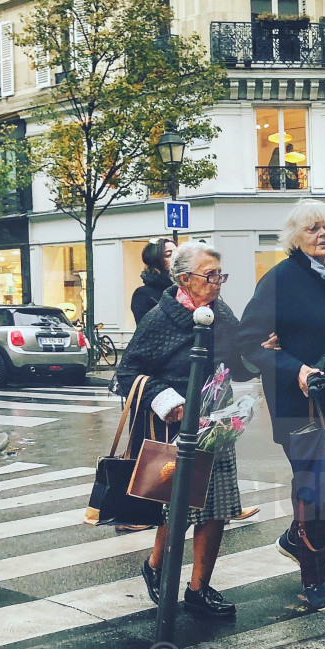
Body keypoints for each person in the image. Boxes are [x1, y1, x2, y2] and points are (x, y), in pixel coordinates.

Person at [238, 199, 325, 612]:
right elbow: (248, 342)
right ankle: (314, 581)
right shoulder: (279, 279)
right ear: (294, 238)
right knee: (314, 485)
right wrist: (293, 367)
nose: (322, 235)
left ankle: (297, 537)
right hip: (296, 401)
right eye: (313, 228)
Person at [114, 242, 254, 618]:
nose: (217, 283)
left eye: (220, 275)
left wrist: (258, 353)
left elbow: (238, 363)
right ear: (183, 279)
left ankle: (199, 589)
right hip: (175, 429)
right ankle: (156, 565)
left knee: (217, 508)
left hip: (217, 421)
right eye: (210, 276)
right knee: (176, 508)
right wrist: (166, 400)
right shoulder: (160, 318)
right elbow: (125, 375)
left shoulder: (220, 311)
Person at [130, 238, 176, 324]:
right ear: (156, 261)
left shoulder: (184, 288)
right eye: (169, 254)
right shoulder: (143, 294)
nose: (176, 257)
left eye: (178, 253)